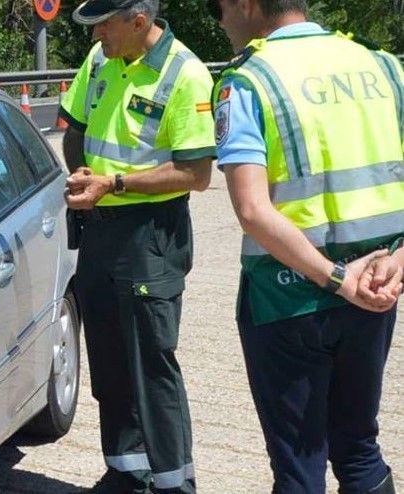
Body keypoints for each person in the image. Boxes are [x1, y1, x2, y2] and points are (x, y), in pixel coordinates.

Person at [208, 0, 404, 492]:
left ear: (245, 4)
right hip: (378, 290)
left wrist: (337, 280)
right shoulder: (384, 66)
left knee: (299, 465)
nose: (219, 20)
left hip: (286, 297)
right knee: (359, 448)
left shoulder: (246, 81)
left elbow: (252, 210)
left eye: (218, 8)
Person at [59, 1, 216, 492]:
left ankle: (173, 483)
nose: (97, 34)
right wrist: (82, 172)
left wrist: (115, 183)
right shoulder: (102, 58)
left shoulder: (185, 74)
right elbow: (76, 127)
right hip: (101, 227)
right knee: (107, 358)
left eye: (105, 24)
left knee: (151, 363)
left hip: (151, 231)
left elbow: (196, 173)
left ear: (140, 21)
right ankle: (126, 471)